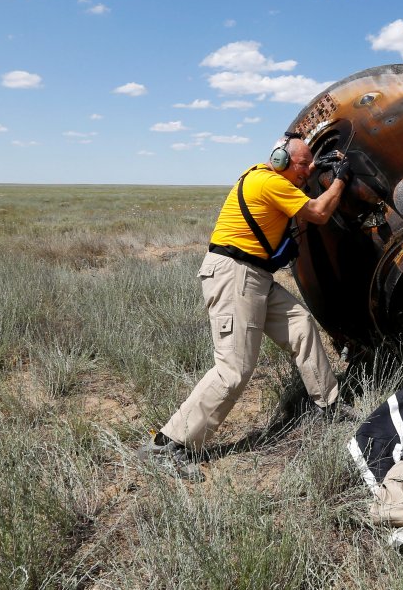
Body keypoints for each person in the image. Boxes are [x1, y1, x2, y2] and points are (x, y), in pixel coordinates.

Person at [140, 136, 357, 479]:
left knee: (301, 325)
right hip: (235, 276)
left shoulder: (270, 176)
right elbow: (319, 212)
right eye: (303, 166)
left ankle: (327, 406)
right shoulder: (269, 181)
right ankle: (168, 444)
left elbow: (304, 182)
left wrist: (320, 165)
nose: (307, 172)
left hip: (254, 276)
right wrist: (341, 178)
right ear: (282, 161)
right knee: (234, 369)